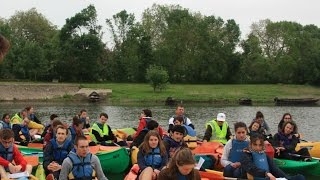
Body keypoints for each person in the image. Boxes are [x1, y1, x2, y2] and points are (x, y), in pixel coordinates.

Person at [241, 134, 305, 180]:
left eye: (260, 145)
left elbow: (274, 169)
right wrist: (266, 174)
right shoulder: (246, 155)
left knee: (300, 177)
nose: (258, 148)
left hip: (268, 177)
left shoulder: (264, 154)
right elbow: (251, 169)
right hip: (258, 177)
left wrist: (287, 178)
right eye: (255, 145)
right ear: (250, 144)